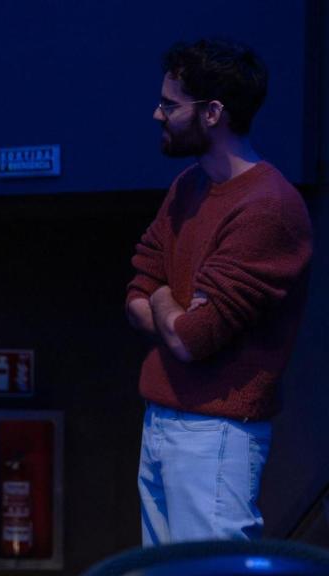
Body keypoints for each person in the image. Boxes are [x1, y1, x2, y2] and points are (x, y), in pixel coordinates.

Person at [127, 38, 313, 546]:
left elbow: (191, 338)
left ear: (212, 113)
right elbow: (137, 287)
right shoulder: (188, 186)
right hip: (164, 419)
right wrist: (169, 302)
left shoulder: (267, 208)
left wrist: (163, 299)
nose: (157, 113)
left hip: (215, 431)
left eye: (170, 104)